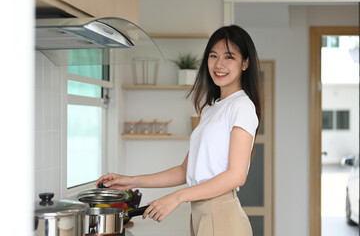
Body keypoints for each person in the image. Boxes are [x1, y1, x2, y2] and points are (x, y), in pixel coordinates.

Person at [96, 25, 262, 236]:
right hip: (202, 213)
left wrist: (177, 197)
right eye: (213, 56)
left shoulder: (241, 106)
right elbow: (185, 170)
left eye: (229, 57)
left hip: (221, 214)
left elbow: (236, 176)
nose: (219, 64)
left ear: (245, 63)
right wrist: (130, 180)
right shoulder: (213, 108)